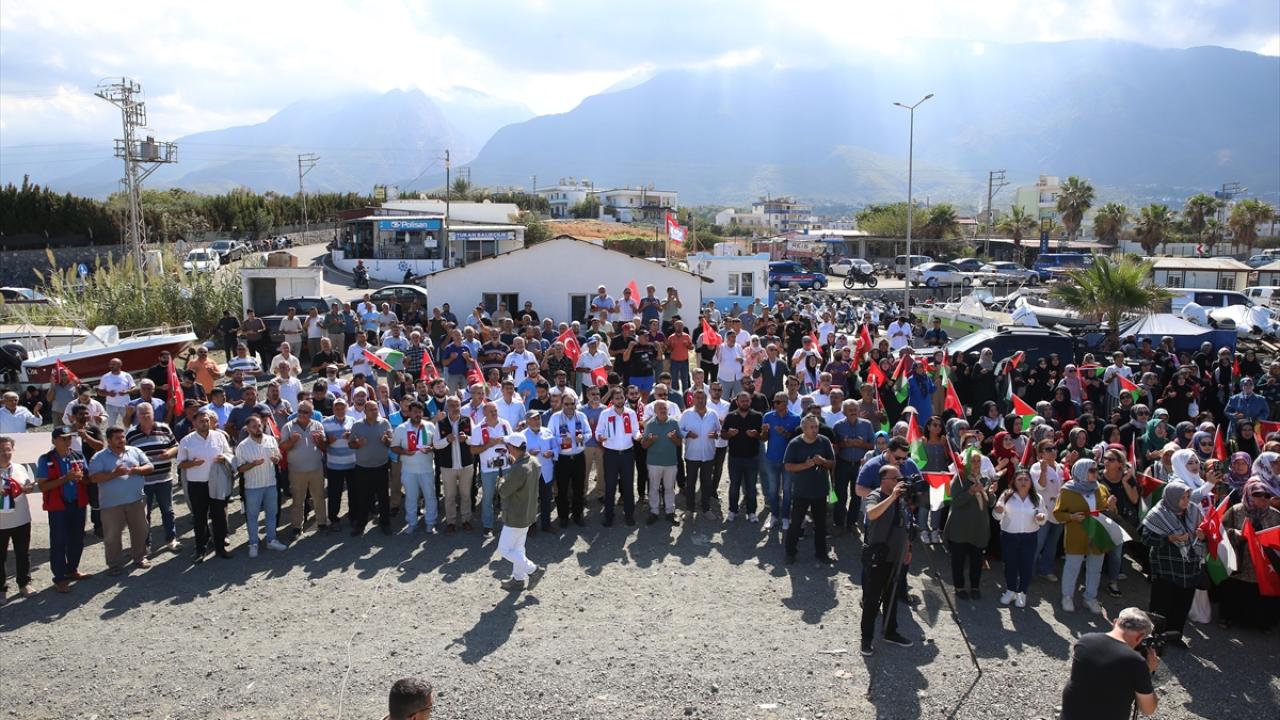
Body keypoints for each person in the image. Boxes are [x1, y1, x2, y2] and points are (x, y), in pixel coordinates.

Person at [1059, 607, 1159, 720]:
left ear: (1115, 622)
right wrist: (1147, 672)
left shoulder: (1085, 641)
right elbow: (1148, 709)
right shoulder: (1136, 662)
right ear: (1140, 636)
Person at [1139, 481, 1204, 643]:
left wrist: (1202, 535)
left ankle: (1175, 636)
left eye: (1188, 496)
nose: (1186, 500)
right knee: (1161, 605)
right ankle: (1155, 637)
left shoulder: (1193, 511)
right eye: (1182, 497)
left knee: (1182, 605)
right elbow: (1146, 539)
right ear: (1172, 497)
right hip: (1166, 568)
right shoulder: (1158, 514)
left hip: (1189, 567)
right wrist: (1170, 538)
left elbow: (1204, 530)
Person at [860, 463, 914, 655]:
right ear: (884, 481)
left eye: (901, 478)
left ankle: (890, 632)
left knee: (892, 596)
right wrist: (892, 497)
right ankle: (866, 639)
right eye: (896, 478)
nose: (900, 482)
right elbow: (872, 513)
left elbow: (906, 524)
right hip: (878, 557)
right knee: (872, 600)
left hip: (896, 557)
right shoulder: (876, 495)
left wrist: (908, 548)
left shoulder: (901, 499)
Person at [87, 426, 154, 576]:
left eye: (123, 437)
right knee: (112, 536)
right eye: (117, 438)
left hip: (136, 500)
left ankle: (139, 556)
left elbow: (150, 466)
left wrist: (139, 470)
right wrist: (114, 474)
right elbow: (93, 478)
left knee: (140, 531)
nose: (121, 440)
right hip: (111, 505)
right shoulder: (99, 457)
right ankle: (114, 563)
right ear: (109, 440)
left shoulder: (134, 451)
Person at [1055, 459, 1118, 613]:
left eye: (1097, 470)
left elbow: (1110, 514)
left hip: (1098, 534)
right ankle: (1067, 596)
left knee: (1095, 568)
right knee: (1072, 566)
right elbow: (1057, 514)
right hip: (1077, 534)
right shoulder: (1067, 490)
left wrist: (1112, 507)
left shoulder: (1101, 489)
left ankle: (1090, 597)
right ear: (1081, 471)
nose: (1096, 473)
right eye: (1092, 470)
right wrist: (1071, 517)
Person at [1218, 478, 1280, 630]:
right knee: (1235, 591)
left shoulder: (1275, 514)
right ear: (1249, 495)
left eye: (1267, 495)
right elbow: (1222, 531)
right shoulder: (1236, 510)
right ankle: (1228, 618)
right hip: (1240, 562)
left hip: (1263, 564)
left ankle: (1259, 623)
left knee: (1259, 595)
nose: (1264, 498)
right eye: (1258, 495)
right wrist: (1235, 534)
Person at [176, 410, 235, 561]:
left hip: (217, 482)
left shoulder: (219, 436)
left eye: (207, 420)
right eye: (201, 421)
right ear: (194, 423)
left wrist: (224, 457)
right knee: (200, 518)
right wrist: (193, 463)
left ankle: (220, 547)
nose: (205, 423)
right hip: (197, 485)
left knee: (219, 516)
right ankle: (200, 549)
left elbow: (229, 453)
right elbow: (180, 464)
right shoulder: (186, 441)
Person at [124, 403, 180, 553]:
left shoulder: (164, 428)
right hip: (143, 481)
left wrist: (169, 453)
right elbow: (125, 455)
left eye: (148, 413)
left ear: (153, 413)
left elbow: (176, 445)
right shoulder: (131, 434)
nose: (145, 416)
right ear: (137, 416)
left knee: (167, 511)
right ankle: (145, 544)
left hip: (164, 479)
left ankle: (171, 539)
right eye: (141, 414)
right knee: (143, 514)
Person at [782, 415, 836, 564]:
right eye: (811, 427)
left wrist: (823, 461)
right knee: (796, 524)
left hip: (820, 491)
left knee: (820, 525)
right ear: (804, 428)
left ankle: (821, 554)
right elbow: (788, 466)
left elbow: (832, 463)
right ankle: (790, 553)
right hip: (801, 492)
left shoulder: (824, 441)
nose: (814, 430)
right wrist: (808, 464)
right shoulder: (795, 444)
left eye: (816, 427)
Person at [993, 470, 1047, 607]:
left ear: (1030, 483)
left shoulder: (1037, 498)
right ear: (1014, 482)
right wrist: (998, 511)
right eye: (1020, 480)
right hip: (1009, 536)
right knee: (1010, 564)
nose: (1023, 482)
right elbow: (997, 516)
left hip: (1029, 537)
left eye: (1026, 480)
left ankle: (1022, 592)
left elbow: (1042, 517)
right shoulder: (1007, 495)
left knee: (1026, 565)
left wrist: (1040, 518)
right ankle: (1010, 590)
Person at [234, 416, 286, 557]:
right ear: (247, 429)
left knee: (271, 513)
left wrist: (277, 458)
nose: (258, 428)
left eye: (259, 425)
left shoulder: (270, 439)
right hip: (253, 487)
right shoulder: (243, 446)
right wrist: (253, 464)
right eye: (254, 426)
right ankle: (253, 543)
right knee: (252, 516)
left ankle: (271, 540)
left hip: (271, 484)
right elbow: (239, 468)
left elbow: (279, 455)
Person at [497, 434, 543, 591]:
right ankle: (518, 579)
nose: (507, 448)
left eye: (508, 446)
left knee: (504, 550)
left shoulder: (519, 469)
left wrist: (502, 480)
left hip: (515, 515)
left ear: (513, 448)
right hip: (528, 513)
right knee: (518, 549)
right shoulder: (534, 461)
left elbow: (504, 491)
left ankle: (533, 570)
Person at [945, 447, 993, 599]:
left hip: (978, 527)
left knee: (976, 559)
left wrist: (991, 494)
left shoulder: (984, 479)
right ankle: (959, 587)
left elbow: (990, 503)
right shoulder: (959, 479)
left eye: (978, 461)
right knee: (958, 560)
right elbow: (955, 502)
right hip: (960, 527)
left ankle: (974, 586)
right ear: (966, 463)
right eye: (973, 461)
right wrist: (970, 492)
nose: (976, 464)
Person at [280, 400, 328, 536]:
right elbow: (282, 447)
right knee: (297, 499)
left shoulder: (318, 425)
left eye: (305, 412)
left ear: (311, 414)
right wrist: (291, 442)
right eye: (299, 411)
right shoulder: (288, 427)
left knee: (318, 497)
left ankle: (322, 523)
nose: (301, 414)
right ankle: (296, 526)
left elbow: (325, 448)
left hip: (316, 469)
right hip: (296, 470)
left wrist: (320, 442)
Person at [349, 399, 394, 536]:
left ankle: (385, 523)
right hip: (363, 467)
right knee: (363, 497)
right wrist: (357, 444)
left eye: (376, 409)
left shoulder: (385, 423)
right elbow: (350, 444)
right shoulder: (357, 425)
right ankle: (360, 524)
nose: (374, 412)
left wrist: (386, 441)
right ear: (365, 411)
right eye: (371, 409)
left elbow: (391, 443)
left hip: (381, 466)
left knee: (383, 497)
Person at [0, 436, 37, 599]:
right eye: (1, 450)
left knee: (23, 552)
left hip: (21, 519)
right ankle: (1, 589)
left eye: (8, 449)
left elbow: (28, 484)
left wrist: (28, 488)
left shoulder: (19, 468)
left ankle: (24, 583)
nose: (5, 453)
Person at [596, 388, 640, 527]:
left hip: (627, 454)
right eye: (617, 398)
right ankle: (609, 516)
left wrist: (639, 437)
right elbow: (598, 431)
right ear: (612, 400)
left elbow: (635, 431)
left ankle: (629, 515)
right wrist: (600, 437)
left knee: (627, 486)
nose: (620, 400)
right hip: (611, 455)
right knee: (610, 486)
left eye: (621, 397)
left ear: (625, 397)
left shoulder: (631, 413)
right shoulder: (605, 414)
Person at [394, 400, 439, 534]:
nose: (418, 414)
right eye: (415, 412)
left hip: (427, 468)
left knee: (430, 496)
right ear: (409, 413)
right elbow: (394, 447)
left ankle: (430, 523)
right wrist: (405, 452)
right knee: (411, 497)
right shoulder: (401, 428)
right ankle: (411, 522)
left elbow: (436, 445)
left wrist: (430, 448)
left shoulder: (430, 426)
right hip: (409, 470)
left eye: (420, 412)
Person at [680, 388, 721, 521]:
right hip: (692, 455)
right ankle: (689, 510)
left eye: (702, 398)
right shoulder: (686, 414)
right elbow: (679, 430)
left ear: (706, 399)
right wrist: (687, 434)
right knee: (690, 484)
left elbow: (719, 431)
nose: (700, 400)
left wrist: (716, 435)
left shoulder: (713, 414)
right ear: (693, 399)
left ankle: (706, 509)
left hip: (708, 456)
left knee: (707, 483)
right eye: (697, 398)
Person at [640, 399, 681, 524]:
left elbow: (679, 443)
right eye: (660, 408)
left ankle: (670, 511)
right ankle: (654, 511)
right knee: (654, 488)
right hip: (654, 463)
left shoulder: (674, 422)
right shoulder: (650, 424)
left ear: (668, 410)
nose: (663, 410)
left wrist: (674, 438)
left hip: (670, 462)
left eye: (665, 408)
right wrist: (651, 440)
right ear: (655, 411)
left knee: (669, 488)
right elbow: (644, 445)